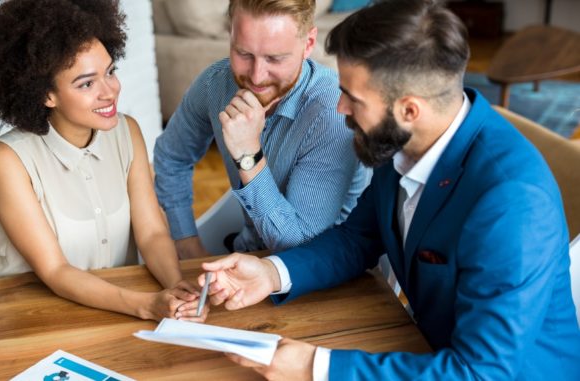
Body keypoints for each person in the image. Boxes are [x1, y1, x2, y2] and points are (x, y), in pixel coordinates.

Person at [199, 0, 580, 379]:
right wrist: (270, 273)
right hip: (424, 351)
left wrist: (314, 367)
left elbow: (481, 373)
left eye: (354, 98)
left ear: (409, 110)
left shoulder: (512, 203)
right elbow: (359, 237)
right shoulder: (403, 140)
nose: (340, 108)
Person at [0, 0, 207, 322]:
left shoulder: (128, 132)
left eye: (110, 72)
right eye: (86, 83)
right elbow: (55, 271)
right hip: (22, 313)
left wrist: (177, 287)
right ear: (46, 95)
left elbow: (152, 232)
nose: (109, 91)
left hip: (112, 308)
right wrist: (147, 305)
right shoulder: (8, 159)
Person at [153, 0, 371, 259]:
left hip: (326, 273)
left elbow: (300, 246)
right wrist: (186, 243)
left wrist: (248, 155)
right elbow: (171, 157)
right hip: (247, 252)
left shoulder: (331, 112)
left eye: (274, 59)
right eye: (243, 53)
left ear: (309, 44)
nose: (256, 77)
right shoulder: (216, 83)